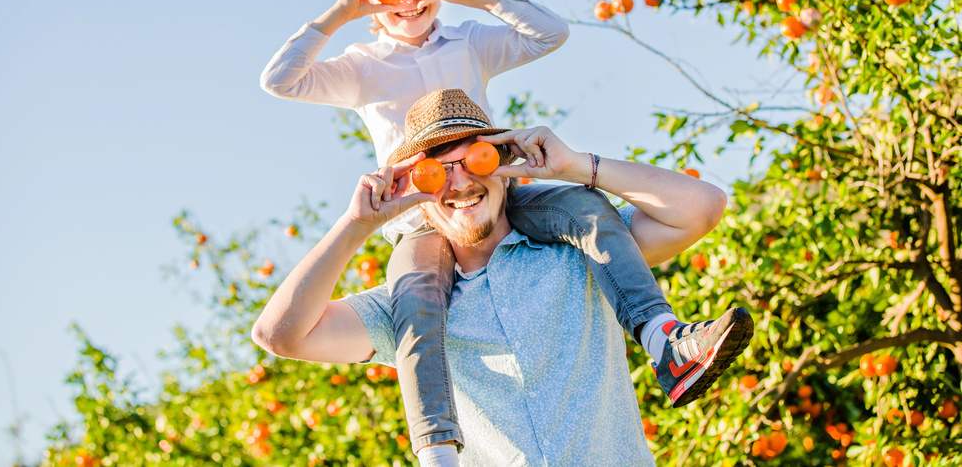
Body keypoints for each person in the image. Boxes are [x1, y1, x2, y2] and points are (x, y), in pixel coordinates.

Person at [259, 0, 749, 465]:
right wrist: (341, 13)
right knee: (417, 315)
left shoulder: (468, 41)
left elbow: (551, 34)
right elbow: (281, 80)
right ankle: (438, 449)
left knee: (588, 209)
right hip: (415, 219)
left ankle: (664, 339)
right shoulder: (360, 64)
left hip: (509, 190)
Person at [252, 89, 753, 466]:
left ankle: (666, 341)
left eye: (475, 159)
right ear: (416, 189)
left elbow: (702, 207)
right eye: (436, 172)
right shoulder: (407, 309)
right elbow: (279, 334)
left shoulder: (580, 252)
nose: (461, 182)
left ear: (503, 163)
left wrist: (578, 165)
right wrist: (356, 224)